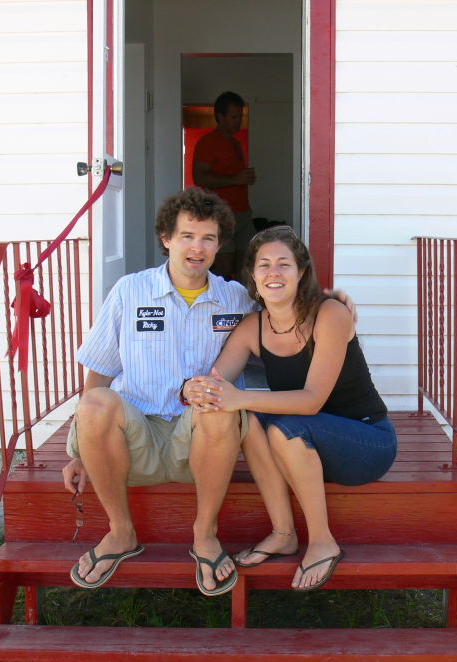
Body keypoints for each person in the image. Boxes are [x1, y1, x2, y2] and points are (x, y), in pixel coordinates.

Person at [62, 189, 353, 597]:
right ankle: (121, 531)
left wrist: (329, 303)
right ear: (167, 238)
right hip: (135, 439)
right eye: (187, 236)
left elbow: (285, 310)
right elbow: (99, 371)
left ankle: (205, 534)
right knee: (94, 402)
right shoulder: (129, 292)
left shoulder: (236, 298)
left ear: (219, 245)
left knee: (219, 403)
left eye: (208, 239)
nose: (197, 249)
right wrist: (80, 452)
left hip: (200, 445)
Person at [184, 226, 397, 591]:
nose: (274, 272)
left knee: (284, 426)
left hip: (365, 442)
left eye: (284, 264)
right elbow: (218, 383)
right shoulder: (253, 327)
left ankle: (323, 541)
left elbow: (312, 400)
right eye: (264, 265)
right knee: (248, 421)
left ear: (301, 272)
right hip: (305, 447)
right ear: (253, 276)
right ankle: (284, 534)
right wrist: (195, 389)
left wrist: (240, 397)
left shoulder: (330, 314)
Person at [192, 91, 256, 281]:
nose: (238, 121)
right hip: (220, 214)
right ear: (220, 117)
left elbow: (234, 175)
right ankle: (213, 299)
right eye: (234, 117)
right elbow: (200, 178)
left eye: (240, 117)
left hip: (243, 213)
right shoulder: (208, 143)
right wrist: (236, 179)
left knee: (247, 265)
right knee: (224, 267)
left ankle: (241, 300)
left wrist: (244, 178)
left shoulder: (235, 142)